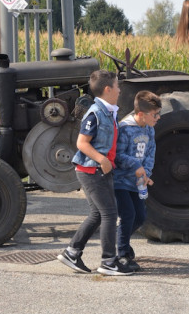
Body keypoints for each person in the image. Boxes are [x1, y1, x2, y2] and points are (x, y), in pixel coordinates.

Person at [57, 70, 134, 276]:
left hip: (97, 170)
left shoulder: (109, 111)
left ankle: (72, 252)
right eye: (117, 86)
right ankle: (108, 261)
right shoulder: (95, 113)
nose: (119, 90)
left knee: (98, 214)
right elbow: (82, 143)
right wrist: (102, 160)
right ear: (108, 89)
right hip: (92, 170)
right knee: (109, 214)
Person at [113, 91, 162, 272]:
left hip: (137, 182)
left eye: (158, 114)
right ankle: (122, 254)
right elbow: (118, 155)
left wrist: (146, 173)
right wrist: (135, 165)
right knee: (127, 215)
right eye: (154, 114)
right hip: (120, 181)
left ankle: (121, 239)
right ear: (141, 114)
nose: (157, 118)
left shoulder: (149, 129)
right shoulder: (125, 128)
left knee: (140, 217)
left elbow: (150, 153)